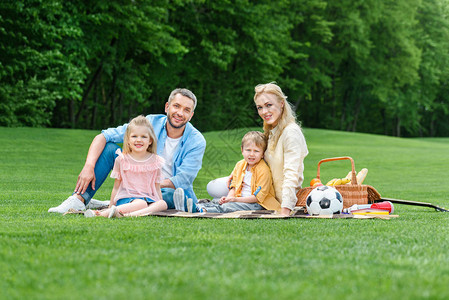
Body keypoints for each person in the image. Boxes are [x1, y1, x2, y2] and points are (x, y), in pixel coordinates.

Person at [48, 88, 206, 214]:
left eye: (186, 110)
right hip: (136, 184)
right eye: (176, 106)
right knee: (110, 148)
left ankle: (122, 202)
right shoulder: (149, 122)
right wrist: (88, 166)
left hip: (163, 190)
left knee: (170, 195)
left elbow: (182, 180)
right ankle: (79, 199)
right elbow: (103, 136)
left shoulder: (197, 141)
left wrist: (145, 186)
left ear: (191, 115)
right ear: (167, 107)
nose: (180, 113)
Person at [207, 83, 308, 216]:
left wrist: (285, 209)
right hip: (256, 182)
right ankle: (203, 205)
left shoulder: (291, 133)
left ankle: (206, 207)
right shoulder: (272, 131)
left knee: (221, 195)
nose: (264, 112)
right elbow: (256, 155)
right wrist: (238, 171)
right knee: (214, 188)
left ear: (281, 103)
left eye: (268, 105)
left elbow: (292, 174)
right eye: (260, 107)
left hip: (270, 195)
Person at [83, 115, 167, 218]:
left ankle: (126, 215)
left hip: (148, 199)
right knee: (141, 204)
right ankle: (103, 214)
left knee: (163, 203)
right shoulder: (122, 160)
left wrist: (158, 203)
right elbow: (116, 187)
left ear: (150, 140)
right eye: (134, 136)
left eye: (143, 137)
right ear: (128, 140)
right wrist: (111, 206)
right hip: (127, 198)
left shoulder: (156, 161)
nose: (139, 140)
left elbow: (157, 187)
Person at [196, 131, 280, 213]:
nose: (251, 154)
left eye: (256, 151)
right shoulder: (240, 165)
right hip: (239, 199)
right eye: (248, 150)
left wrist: (234, 200)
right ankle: (197, 205)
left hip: (257, 203)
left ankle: (204, 210)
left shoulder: (263, 170)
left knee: (227, 207)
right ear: (242, 150)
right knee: (218, 201)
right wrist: (229, 198)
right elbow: (234, 186)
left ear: (262, 154)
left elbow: (258, 198)